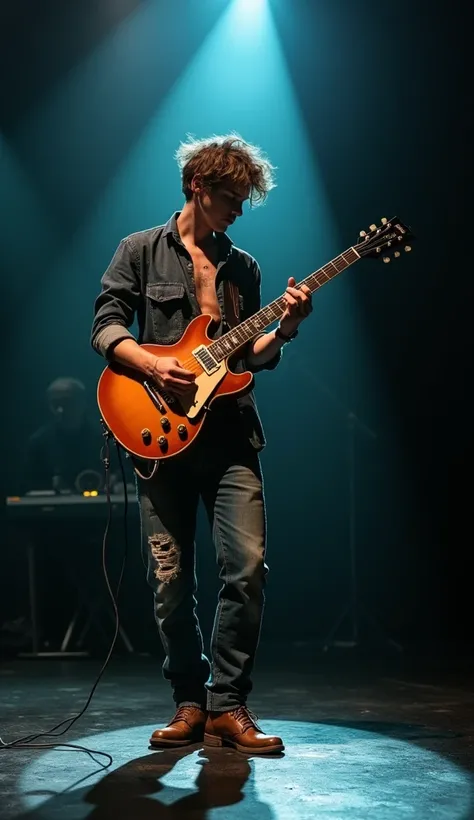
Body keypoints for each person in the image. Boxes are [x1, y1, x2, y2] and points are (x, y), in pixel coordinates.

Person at [91, 134, 312, 754]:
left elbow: (249, 360)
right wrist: (153, 367)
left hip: (232, 436)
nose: (239, 210)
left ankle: (228, 705)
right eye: (231, 198)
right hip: (160, 435)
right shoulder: (139, 250)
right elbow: (104, 325)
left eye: (244, 199)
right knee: (170, 581)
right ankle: (188, 702)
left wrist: (287, 330)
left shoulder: (244, 267)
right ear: (198, 188)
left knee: (246, 569)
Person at [24, 377, 105, 493]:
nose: (60, 410)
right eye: (55, 403)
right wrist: (48, 485)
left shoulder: (105, 439)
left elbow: (122, 474)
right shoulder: (38, 443)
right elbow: (29, 484)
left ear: (83, 402)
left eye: (67, 402)